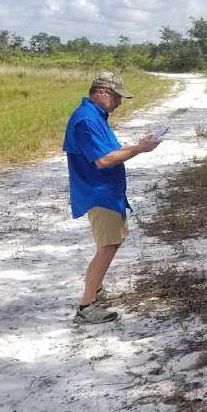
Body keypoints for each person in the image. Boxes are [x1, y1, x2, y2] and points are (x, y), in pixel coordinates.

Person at [63, 72, 162, 324]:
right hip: (98, 192)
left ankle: (94, 288)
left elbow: (110, 151)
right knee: (107, 246)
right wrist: (140, 149)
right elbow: (104, 160)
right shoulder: (86, 120)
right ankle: (86, 306)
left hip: (108, 190)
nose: (119, 103)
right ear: (103, 93)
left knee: (110, 244)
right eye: (117, 97)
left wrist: (137, 145)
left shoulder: (96, 116)